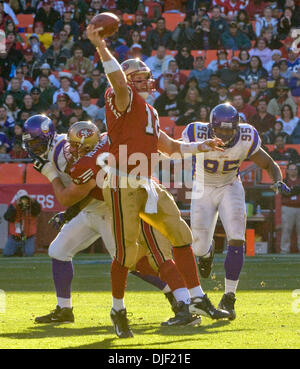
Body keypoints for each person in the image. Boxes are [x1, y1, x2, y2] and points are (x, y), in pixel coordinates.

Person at [86, 24, 228, 337]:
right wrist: (100, 46)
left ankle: (197, 298)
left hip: (147, 182)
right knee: (125, 253)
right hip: (123, 184)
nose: (146, 81)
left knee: (181, 234)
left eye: (145, 77)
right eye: (139, 78)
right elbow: (117, 81)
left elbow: (171, 146)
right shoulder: (122, 98)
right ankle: (118, 308)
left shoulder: (149, 110)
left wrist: (201, 147)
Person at [22, 116, 194, 324]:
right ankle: (64, 309)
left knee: (130, 262)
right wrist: (71, 212)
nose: (34, 147)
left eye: (37, 142)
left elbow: (73, 194)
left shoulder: (63, 154)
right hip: (89, 210)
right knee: (58, 251)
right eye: (30, 143)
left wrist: (52, 177)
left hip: (109, 209)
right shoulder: (63, 148)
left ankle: (176, 297)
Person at [182, 103, 290, 320]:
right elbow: (176, 150)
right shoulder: (196, 131)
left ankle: (229, 297)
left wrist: (278, 181)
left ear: (237, 127)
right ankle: (207, 251)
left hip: (230, 186)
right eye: (219, 130)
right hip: (202, 186)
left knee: (237, 237)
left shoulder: (246, 136)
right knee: (198, 247)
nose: (223, 134)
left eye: (229, 130)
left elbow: (268, 163)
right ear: (211, 126)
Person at [2, 189, 41, 257]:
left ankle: (21, 250)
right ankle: (18, 250)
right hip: (15, 236)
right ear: (18, 199)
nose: (24, 202)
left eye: (25, 199)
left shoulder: (33, 206)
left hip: (28, 236)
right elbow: (7, 217)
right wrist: (15, 207)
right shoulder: (13, 206)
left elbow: (38, 211)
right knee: (6, 253)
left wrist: (34, 202)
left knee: (29, 254)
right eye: (22, 199)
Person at [280, 162, 300, 254]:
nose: (293, 171)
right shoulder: (284, 181)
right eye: (291, 169)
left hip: (299, 208)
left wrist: (292, 191)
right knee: (286, 230)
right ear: (287, 171)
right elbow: (284, 193)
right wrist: (294, 191)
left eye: (295, 169)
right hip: (288, 208)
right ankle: (284, 250)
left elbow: (289, 192)